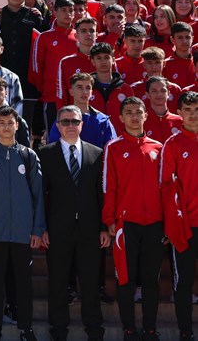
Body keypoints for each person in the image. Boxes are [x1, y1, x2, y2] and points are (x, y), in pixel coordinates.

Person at [0, 106, 45, 341]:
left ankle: (26, 328)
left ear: (17, 125)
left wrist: (36, 229)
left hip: (23, 233)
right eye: (1, 122)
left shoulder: (28, 155)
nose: (5, 126)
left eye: (10, 122)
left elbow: (38, 195)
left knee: (23, 284)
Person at [38, 105, 108, 341]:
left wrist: (103, 227)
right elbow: (40, 195)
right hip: (58, 229)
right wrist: (42, 227)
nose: (70, 126)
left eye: (74, 122)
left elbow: (100, 194)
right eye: (65, 122)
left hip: (89, 229)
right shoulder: (45, 153)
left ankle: (94, 328)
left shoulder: (96, 153)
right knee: (58, 281)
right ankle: (58, 329)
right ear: (57, 126)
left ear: (82, 125)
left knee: (89, 281)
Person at [102, 97, 164, 341]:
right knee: (125, 279)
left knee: (151, 280)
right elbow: (109, 186)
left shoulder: (158, 147)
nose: (134, 116)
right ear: (121, 117)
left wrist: (168, 223)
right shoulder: (113, 147)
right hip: (125, 226)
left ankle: (150, 328)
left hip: (155, 224)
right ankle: (129, 328)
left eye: (138, 112)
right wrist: (110, 220)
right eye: (129, 112)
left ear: (145, 116)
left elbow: (166, 188)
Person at [159, 91, 198, 341]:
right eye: (188, 110)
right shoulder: (172, 145)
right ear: (180, 113)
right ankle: (185, 332)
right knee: (182, 283)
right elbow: (165, 186)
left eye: (197, 110)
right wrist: (170, 225)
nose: (193, 115)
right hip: (186, 226)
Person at [31, 0, 78, 131]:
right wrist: (45, 89)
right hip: (52, 96)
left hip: (77, 96)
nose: (68, 14)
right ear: (55, 12)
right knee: (53, 135)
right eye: (63, 10)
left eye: (71, 11)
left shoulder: (79, 36)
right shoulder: (45, 37)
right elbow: (36, 67)